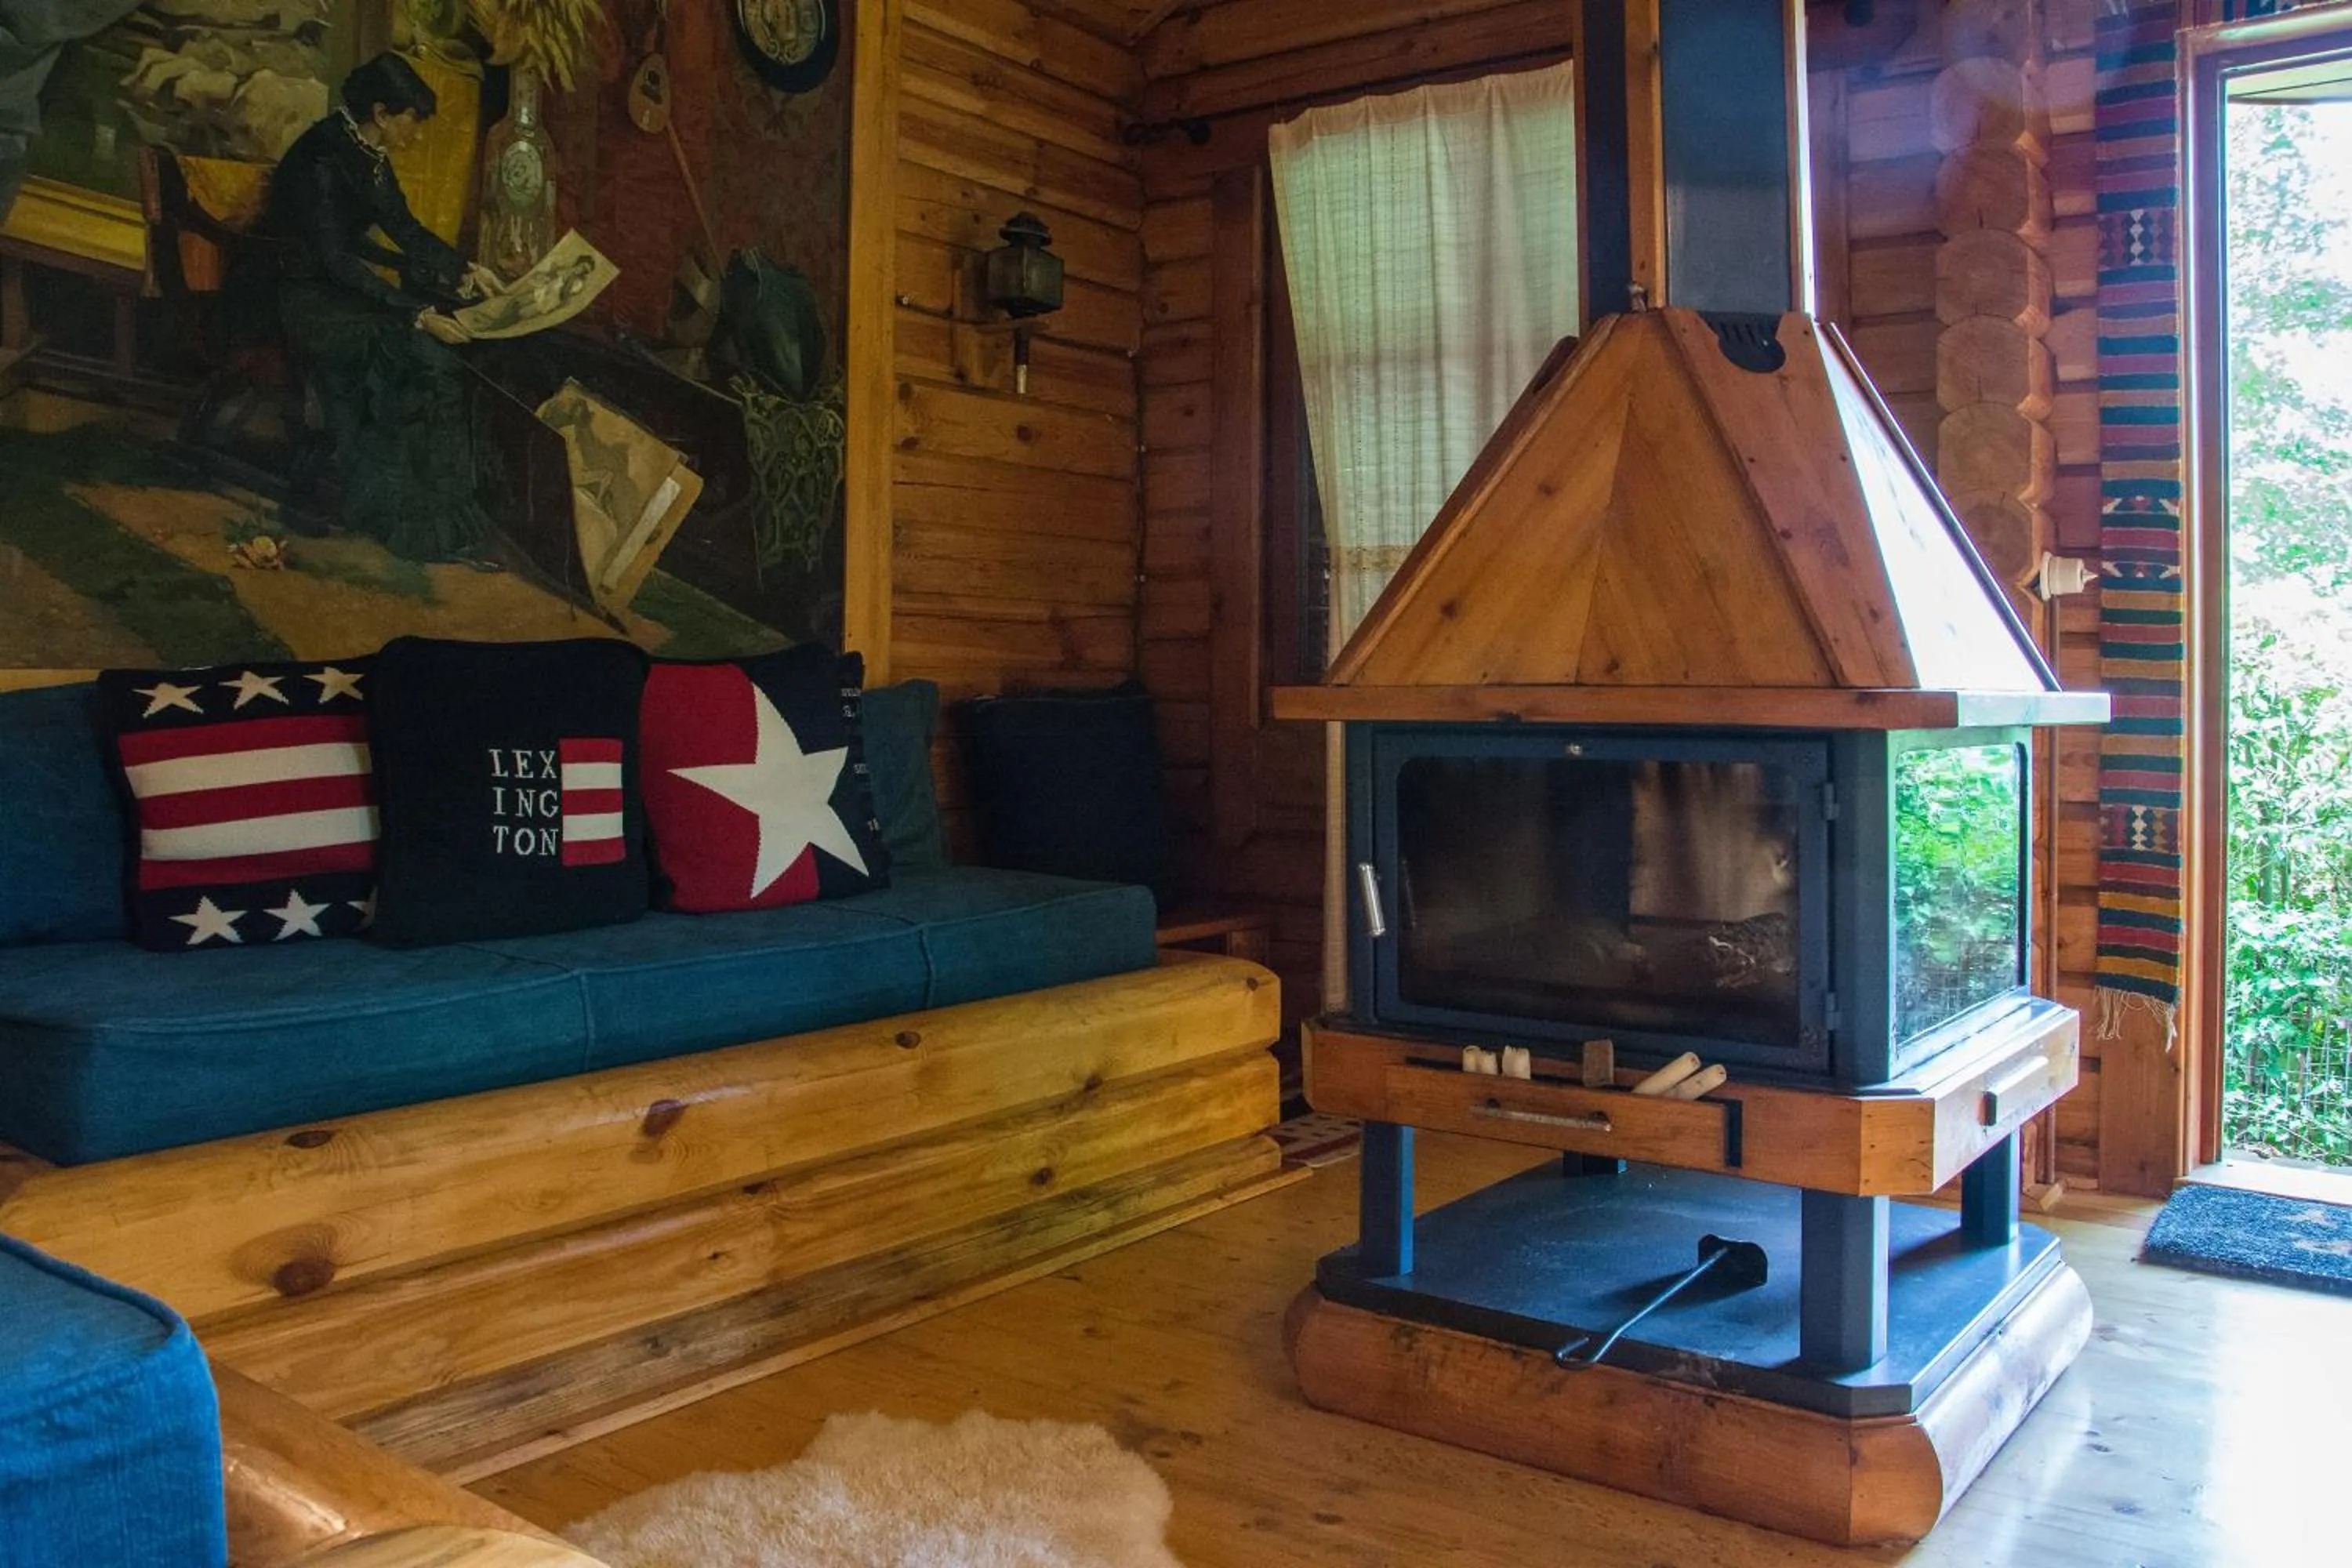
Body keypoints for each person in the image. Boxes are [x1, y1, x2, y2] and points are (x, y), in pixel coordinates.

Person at [234, 53, 504, 565]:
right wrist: (414, 313)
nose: (417, 136)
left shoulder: (368, 153)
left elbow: (402, 227)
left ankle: (444, 517)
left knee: (433, 355)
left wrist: (462, 269)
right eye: (412, 123)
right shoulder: (321, 160)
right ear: (381, 113)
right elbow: (335, 261)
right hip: (296, 298)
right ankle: (400, 518)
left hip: (336, 289)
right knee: (420, 353)